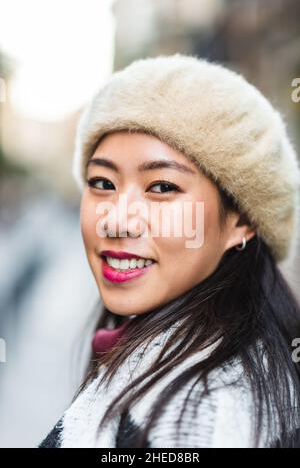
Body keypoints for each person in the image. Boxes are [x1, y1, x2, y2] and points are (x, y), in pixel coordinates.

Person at [39, 53, 300, 448]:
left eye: (161, 187)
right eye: (102, 183)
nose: (116, 221)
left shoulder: (201, 420)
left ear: (241, 220)